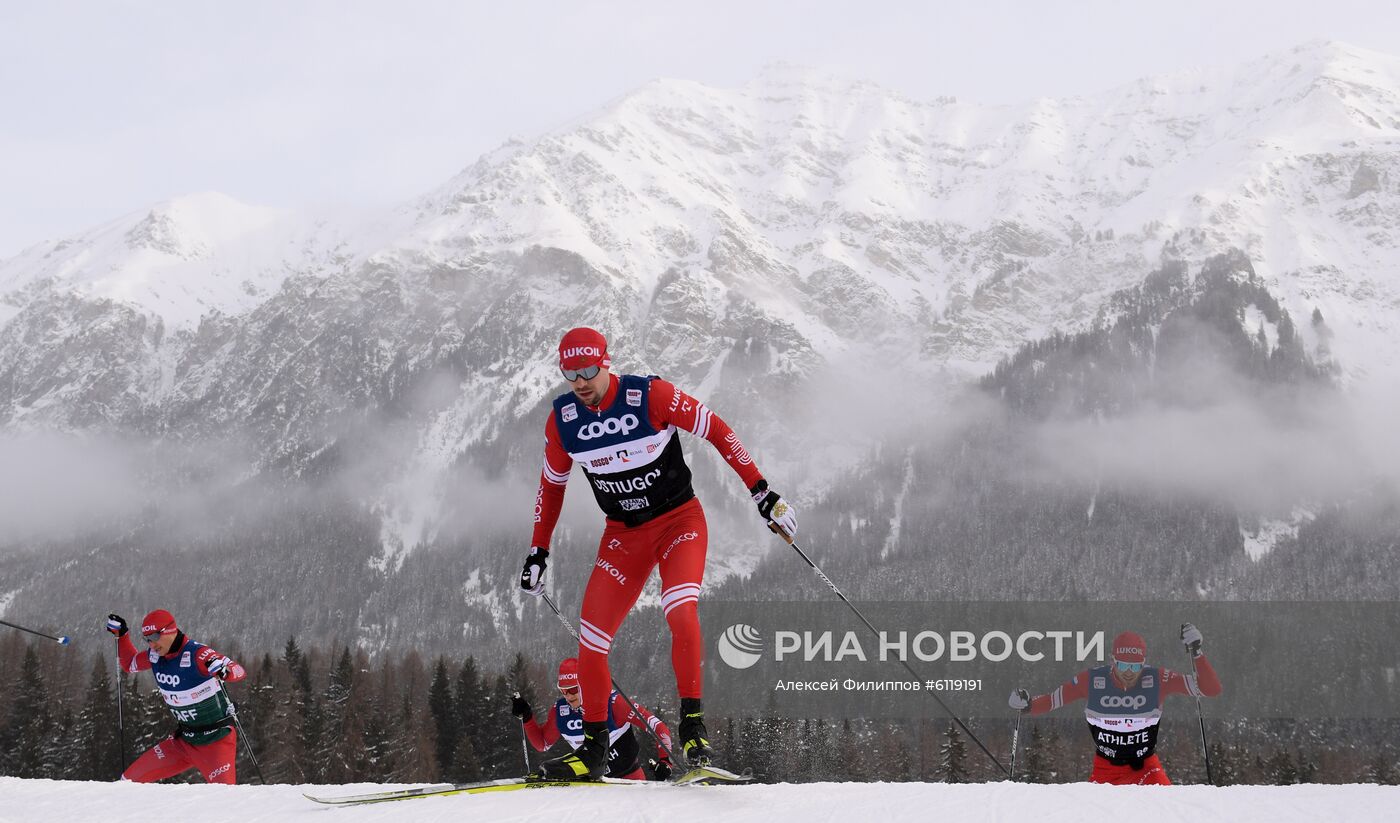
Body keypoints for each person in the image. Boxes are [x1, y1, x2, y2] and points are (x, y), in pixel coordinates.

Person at [520, 327, 797, 779]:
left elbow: (719, 431)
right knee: (591, 641)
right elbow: (551, 487)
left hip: (678, 523)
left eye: (589, 369)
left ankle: (692, 726)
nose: (581, 380)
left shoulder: (651, 396)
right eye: (570, 373)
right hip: (623, 536)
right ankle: (591, 751)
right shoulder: (563, 420)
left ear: (607, 362)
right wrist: (538, 552)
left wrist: (762, 492)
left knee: (679, 611)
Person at [1008, 624, 1222, 785]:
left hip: (1146, 768)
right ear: (1112, 660)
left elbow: (1210, 689)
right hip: (1105, 770)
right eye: (1122, 665)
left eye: (1136, 667)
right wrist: (1026, 704)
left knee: (1167, 812)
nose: (1129, 673)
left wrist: (1197, 653)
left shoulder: (1157, 679)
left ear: (1143, 663)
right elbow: (1052, 700)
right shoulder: (1091, 680)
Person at [105, 609, 246, 784]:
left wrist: (225, 672)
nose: (152, 644)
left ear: (170, 630)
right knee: (126, 782)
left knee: (225, 800)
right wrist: (123, 636)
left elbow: (239, 670)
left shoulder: (198, 654)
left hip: (216, 743)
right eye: (147, 639)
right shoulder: (155, 656)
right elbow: (129, 664)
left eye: (155, 637)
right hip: (183, 743)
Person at [513, 657, 674, 780]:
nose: (569, 696)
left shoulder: (614, 702)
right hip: (593, 786)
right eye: (563, 691)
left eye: (573, 689)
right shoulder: (560, 711)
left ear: (584, 684)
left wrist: (665, 761)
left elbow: (658, 727)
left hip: (629, 779)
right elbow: (542, 744)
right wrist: (527, 717)